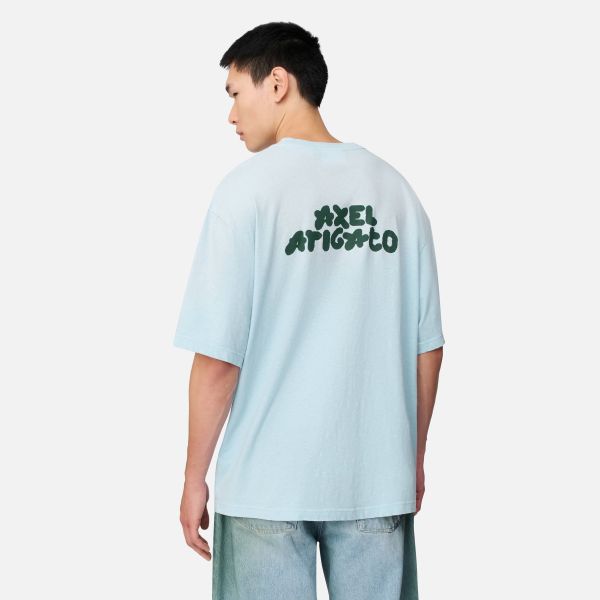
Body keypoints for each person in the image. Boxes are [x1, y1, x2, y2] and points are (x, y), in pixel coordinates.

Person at [173, 21, 445, 600]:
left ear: (277, 84)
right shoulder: (396, 193)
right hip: (374, 479)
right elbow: (428, 349)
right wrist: (411, 458)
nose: (231, 115)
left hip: (264, 487)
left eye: (235, 94)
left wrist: (194, 476)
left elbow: (218, 358)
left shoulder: (245, 193)